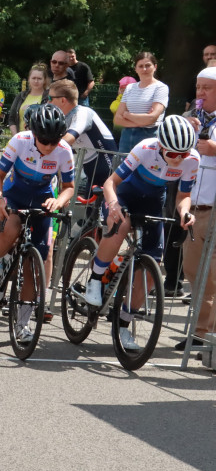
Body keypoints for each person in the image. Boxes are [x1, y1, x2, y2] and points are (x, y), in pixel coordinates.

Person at [82, 116, 199, 351]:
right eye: (173, 154)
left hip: (153, 200)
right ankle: (95, 279)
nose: (179, 159)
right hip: (124, 194)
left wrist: (186, 213)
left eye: (183, 154)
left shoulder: (191, 159)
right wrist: (114, 205)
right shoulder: (145, 149)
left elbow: (182, 197)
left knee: (152, 266)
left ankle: (123, 324)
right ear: (161, 146)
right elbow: (110, 184)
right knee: (121, 226)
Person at [0, 105, 75, 343]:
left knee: (35, 263)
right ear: (34, 133)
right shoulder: (20, 141)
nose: (49, 146)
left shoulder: (64, 151)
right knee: (11, 228)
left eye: (54, 141)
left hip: (42, 198)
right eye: (44, 140)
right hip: (14, 192)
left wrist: (58, 201)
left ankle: (23, 324)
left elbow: (68, 188)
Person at [182, 66, 216, 350]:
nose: (201, 93)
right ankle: (201, 332)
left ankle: (208, 336)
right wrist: (183, 129)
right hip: (193, 206)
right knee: (192, 269)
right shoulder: (191, 119)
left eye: (208, 88)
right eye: (198, 87)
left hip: (215, 208)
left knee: (214, 274)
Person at [48, 79, 117, 195]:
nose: (48, 103)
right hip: (92, 171)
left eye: (50, 98)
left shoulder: (83, 112)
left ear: (63, 100)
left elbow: (69, 138)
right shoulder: (64, 118)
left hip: (108, 169)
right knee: (90, 211)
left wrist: (45, 149)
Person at [115, 51, 169, 153]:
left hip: (149, 136)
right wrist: (142, 121)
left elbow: (152, 118)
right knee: (123, 168)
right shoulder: (130, 88)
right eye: (140, 66)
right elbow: (117, 119)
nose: (144, 69)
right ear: (136, 69)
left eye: (148, 65)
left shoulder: (161, 88)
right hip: (127, 137)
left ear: (155, 67)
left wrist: (127, 114)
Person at [7, 63, 49, 134]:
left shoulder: (48, 96)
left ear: (44, 80)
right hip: (19, 138)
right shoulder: (20, 96)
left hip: (39, 140)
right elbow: (12, 118)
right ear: (29, 79)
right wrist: (16, 136)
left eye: (39, 79)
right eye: (33, 78)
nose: (36, 81)